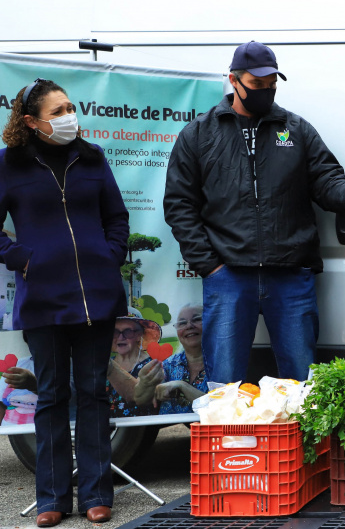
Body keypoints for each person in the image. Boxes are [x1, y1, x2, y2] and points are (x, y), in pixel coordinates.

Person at [164, 41, 345, 384]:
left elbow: (326, 179)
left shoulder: (296, 129)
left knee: (301, 379)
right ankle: (228, 438)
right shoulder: (200, 134)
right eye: (257, 85)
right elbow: (179, 204)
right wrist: (209, 264)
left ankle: (300, 439)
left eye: (271, 86)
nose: (265, 92)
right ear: (234, 81)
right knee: (224, 382)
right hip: (228, 275)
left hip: (290, 272)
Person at [0, 78, 129, 525]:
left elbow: (117, 216)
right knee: (53, 395)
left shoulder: (91, 158)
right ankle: (53, 498)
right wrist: (20, 257)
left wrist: (109, 257)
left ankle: (96, 494)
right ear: (32, 121)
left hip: (97, 296)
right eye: (57, 112)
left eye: (70, 107)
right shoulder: (9, 164)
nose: (68, 116)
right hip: (44, 299)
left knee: (92, 393)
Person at [150, 303, 207, 414]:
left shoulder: (221, 365)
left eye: (196, 319)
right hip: (169, 431)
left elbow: (220, 407)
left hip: (207, 430)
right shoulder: (168, 365)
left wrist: (182, 385)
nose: (189, 326)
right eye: (182, 323)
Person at [107, 311, 162, 417]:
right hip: (108, 430)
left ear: (139, 335)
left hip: (140, 430)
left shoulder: (152, 365)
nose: (120, 337)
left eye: (127, 332)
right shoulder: (105, 364)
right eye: (115, 332)